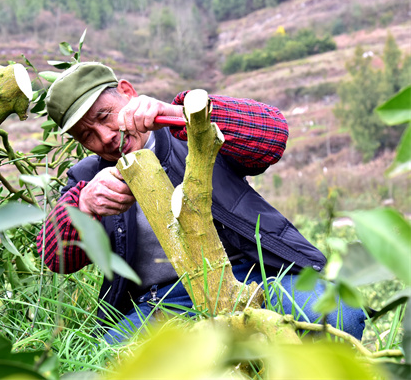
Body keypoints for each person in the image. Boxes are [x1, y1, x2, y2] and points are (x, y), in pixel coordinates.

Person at [36, 62, 366, 343]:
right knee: (102, 364)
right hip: (162, 302)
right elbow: (52, 256)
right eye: (87, 135)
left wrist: (180, 115)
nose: (105, 136)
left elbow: (272, 134)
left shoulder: (190, 128)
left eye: (105, 116)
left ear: (128, 92)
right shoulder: (89, 178)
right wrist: (85, 208)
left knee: (337, 317)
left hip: (256, 274)